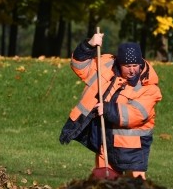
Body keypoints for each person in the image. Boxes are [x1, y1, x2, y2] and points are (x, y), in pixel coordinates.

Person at [60, 31, 162, 179]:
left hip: (133, 148)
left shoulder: (150, 88)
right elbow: (78, 65)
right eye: (127, 66)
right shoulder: (105, 65)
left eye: (135, 65)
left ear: (141, 64)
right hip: (105, 140)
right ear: (119, 64)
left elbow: (136, 114)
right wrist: (89, 45)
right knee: (104, 185)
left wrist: (107, 109)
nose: (132, 70)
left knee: (137, 188)